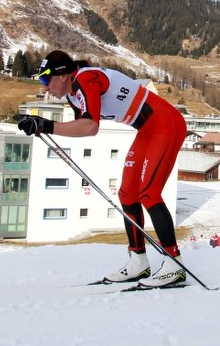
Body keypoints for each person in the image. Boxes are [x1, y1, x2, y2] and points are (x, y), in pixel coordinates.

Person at [17, 50, 188, 288]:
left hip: (165, 123)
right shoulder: (73, 95)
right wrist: (40, 126)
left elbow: (90, 127)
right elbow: (79, 126)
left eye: (46, 80)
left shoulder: (86, 79)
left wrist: (46, 125)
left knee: (149, 193)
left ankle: (173, 263)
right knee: (127, 193)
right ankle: (138, 261)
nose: (45, 87)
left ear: (63, 75)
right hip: (147, 129)